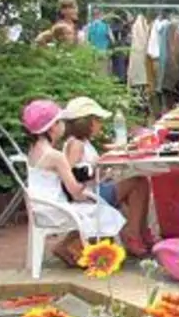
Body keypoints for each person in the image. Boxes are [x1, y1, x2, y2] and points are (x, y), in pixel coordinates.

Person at [20, 98, 125, 268]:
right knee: (103, 210)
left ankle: (74, 250)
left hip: (40, 208)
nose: (64, 125)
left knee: (99, 204)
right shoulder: (55, 156)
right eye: (60, 121)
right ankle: (90, 251)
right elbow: (75, 191)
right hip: (57, 210)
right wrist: (92, 180)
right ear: (52, 127)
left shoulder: (34, 151)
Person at [60, 96, 153, 257]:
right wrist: (98, 168)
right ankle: (134, 234)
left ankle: (138, 232)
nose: (100, 124)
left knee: (136, 183)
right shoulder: (77, 145)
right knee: (138, 182)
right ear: (87, 122)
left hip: (94, 188)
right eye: (97, 120)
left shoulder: (81, 142)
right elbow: (71, 174)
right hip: (90, 195)